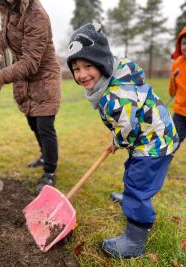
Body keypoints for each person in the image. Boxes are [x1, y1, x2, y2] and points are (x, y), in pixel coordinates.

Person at [66, 23, 179, 259]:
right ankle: (132, 195)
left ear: (102, 63)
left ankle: (134, 242)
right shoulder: (116, 75)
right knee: (133, 174)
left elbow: (127, 127)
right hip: (153, 135)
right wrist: (118, 137)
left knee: (138, 183)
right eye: (76, 68)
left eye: (88, 66)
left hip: (153, 143)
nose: (82, 74)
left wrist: (117, 141)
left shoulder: (114, 96)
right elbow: (126, 121)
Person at [0, 0, 61, 192]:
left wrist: (0, 77)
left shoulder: (36, 15)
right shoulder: (6, 7)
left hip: (43, 76)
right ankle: (44, 155)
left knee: (44, 125)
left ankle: (50, 171)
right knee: (33, 122)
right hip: (23, 77)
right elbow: (3, 33)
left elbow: (30, 61)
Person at [169, 26, 186, 153]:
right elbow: (172, 90)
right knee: (173, 141)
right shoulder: (177, 63)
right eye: (184, 43)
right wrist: (173, 87)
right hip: (180, 112)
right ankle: (162, 164)